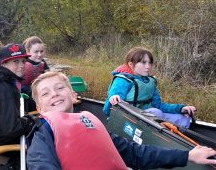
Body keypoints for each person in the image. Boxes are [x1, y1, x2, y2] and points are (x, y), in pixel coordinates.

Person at [26, 71, 216, 169]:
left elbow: (136, 153)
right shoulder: (43, 132)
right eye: (45, 93)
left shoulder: (91, 122)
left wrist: (188, 156)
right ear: (39, 108)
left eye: (59, 88)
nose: (54, 94)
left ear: (73, 94)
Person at [103, 47, 196, 128]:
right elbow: (108, 110)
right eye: (143, 63)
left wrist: (181, 109)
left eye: (150, 63)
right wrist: (113, 99)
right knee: (156, 113)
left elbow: (158, 105)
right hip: (129, 120)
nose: (148, 66)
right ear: (131, 64)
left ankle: (169, 139)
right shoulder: (122, 80)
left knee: (183, 119)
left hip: (150, 116)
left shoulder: (149, 81)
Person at [21, 36, 49, 112]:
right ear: (28, 52)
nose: (39, 54)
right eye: (36, 52)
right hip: (24, 93)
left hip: (38, 90)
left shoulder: (42, 62)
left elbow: (48, 76)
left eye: (41, 51)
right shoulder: (22, 62)